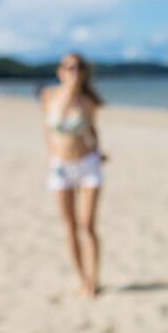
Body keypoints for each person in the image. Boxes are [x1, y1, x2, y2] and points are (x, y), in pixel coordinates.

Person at [41, 52, 105, 297]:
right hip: (60, 167)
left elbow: (92, 130)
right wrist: (50, 154)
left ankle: (94, 278)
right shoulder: (49, 96)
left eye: (78, 67)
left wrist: (99, 151)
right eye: (69, 67)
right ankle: (82, 279)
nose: (74, 72)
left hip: (88, 164)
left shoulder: (88, 101)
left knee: (86, 225)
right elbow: (47, 130)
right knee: (69, 227)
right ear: (60, 71)